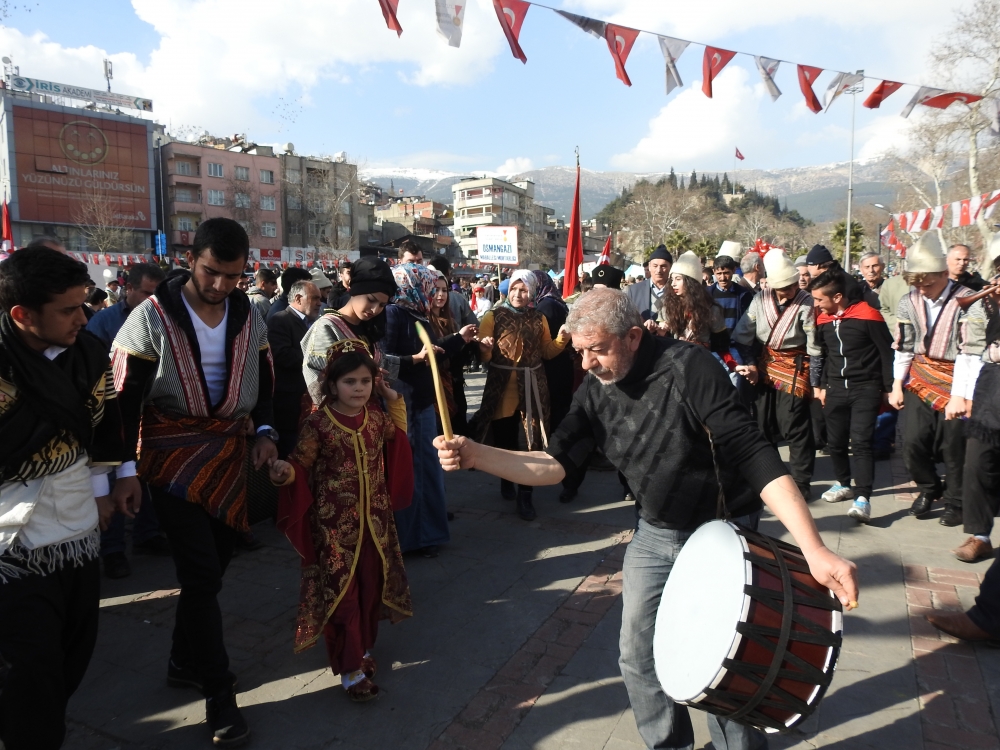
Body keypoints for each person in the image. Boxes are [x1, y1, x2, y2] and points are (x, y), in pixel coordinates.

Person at [433, 288, 860, 750]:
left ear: (633, 336)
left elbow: (753, 454)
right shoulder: (593, 390)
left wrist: (814, 549)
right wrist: (477, 455)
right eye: (579, 352)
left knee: (726, 656)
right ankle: (667, 744)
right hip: (655, 533)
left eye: (597, 350)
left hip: (725, 532)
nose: (588, 364)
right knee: (636, 656)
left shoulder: (690, 366)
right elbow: (554, 464)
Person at [111, 218, 277, 746]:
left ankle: (184, 658)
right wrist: (123, 470)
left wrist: (266, 430)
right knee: (202, 574)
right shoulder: (150, 318)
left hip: (231, 453)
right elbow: (123, 400)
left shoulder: (250, 314)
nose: (223, 285)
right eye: (213, 272)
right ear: (190, 259)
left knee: (217, 566)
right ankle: (219, 692)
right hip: (170, 456)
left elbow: (266, 381)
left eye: (234, 275)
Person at [0, 247, 131, 750]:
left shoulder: (89, 355)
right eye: (68, 310)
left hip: (76, 532)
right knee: (31, 668)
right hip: (10, 543)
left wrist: (111, 483)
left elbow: (105, 429)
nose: (83, 318)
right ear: (22, 315)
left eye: (84, 305)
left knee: (72, 653)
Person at [270, 340, 412, 701]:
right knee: (343, 596)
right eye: (351, 382)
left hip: (376, 523)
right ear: (332, 385)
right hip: (334, 528)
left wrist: (392, 398)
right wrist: (284, 473)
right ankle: (350, 671)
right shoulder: (318, 424)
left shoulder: (377, 418)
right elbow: (300, 464)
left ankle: (362, 649)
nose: (360, 389)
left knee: (369, 588)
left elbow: (399, 443)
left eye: (366, 381)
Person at [888, 233, 987, 527]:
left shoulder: (969, 302)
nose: (924, 290)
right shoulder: (909, 301)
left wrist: (961, 396)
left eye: (928, 283)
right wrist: (896, 384)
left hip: (958, 378)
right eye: (917, 284)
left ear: (944, 274)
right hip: (921, 378)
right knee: (913, 443)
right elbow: (904, 346)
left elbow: (972, 353)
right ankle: (930, 488)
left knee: (954, 448)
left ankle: (955, 503)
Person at [86, 262, 169, 580]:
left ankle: (147, 534)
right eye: (147, 293)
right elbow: (94, 371)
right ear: (128, 289)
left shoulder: (163, 318)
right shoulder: (104, 322)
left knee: (146, 476)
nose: (153, 299)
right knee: (115, 479)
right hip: (115, 415)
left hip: (152, 412)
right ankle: (113, 550)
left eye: (157, 293)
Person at [384, 262, 472, 556]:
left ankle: (428, 534)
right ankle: (412, 539)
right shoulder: (394, 313)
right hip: (404, 404)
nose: (435, 292)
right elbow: (383, 359)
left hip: (422, 403)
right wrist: (415, 359)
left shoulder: (417, 313)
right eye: (430, 286)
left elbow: (431, 353)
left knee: (426, 470)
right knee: (414, 472)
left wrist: (459, 339)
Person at [470, 270, 571, 520]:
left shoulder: (539, 318)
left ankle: (526, 497)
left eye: (524, 290)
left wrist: (561, 340)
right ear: (507, 290)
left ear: (531, 292)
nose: (518, 294)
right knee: (504, 439)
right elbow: (483, 356)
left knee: (531, 441)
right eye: (514, 289)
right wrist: (483, 349)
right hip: (501, 386)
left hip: (534, 385)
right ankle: (507, 478)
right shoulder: (493, 316)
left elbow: (547, 352)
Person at [808, 268, 894, 523]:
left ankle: (863, 497)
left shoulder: (869, 316)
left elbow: (886, 353)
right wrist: (821, 385)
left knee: (861, 443)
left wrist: (888, 388)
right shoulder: (823, 320)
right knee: (834, 442)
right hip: (834, 388)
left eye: (819, 300)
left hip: (865, 388)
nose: (816, 305)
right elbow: (823, 355)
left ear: (836, 297)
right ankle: (843, 483)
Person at [733, 250, 820, 500]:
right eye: (784, 288)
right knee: (763, 425)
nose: (790, 291)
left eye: (793, 286)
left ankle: (802, 481)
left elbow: (814, 346)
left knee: (794, 425)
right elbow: (743, 335)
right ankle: (770, 478)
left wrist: (815, 382)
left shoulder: (807, 302)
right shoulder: (760, 300)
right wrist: (749, 363)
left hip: (795, 366)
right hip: (763, 365)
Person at [952, 236, 1000, 562]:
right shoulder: (988, 304)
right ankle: (980, 534)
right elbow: (970, 350)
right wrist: (963, 393)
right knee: (977, 462)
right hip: (992, 382)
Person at [301, 258, 400, 407]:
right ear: (355, 291)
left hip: (368, 416)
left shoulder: (367, 327)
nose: (374, 309)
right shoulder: (327, 327)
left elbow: (382, 363)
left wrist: (416, 359)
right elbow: (317, 381)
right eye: (371, 300)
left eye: (381, 305)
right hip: (337, 418)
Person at [531, 270, 579, 503]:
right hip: (561, 369)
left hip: (553, 370)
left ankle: (563, 475)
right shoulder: (554, 302)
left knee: (557, 422)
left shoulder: (545, 307)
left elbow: (545, 345)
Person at [656, 252, 739, 372]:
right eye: (672, 279)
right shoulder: (667, 306)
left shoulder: (711, 309)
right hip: (673, 363)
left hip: (700, 363)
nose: (673, 283)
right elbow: (661, 339)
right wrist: (660, 330)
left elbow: (721, 345)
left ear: (691, 282)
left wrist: (733, 365)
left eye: (678, 279)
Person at [268, 280, 323, 457]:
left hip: (307, 402)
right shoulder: (281, 319)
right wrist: (317, 357)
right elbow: (282, 355)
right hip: (289, 405)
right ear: (298, 298)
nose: (319, 303)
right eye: (314, 298)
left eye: (320, 299)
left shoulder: (315, 323)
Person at [428, 271, 476, 434]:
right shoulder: (422, 321)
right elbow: (434, 353)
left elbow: (458, 358)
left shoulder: (452, 321)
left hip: (455, 386)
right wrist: (457, 339)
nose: (440, 295)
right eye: (436, 290)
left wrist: (474, 344)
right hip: (433, 390)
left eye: (444, 290)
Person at [709, 252, 755, 402]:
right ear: (714, 273)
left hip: (735, 348)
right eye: (719, 273)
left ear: (733, 271)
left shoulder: (744, 294)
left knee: (734, 392)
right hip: (713, 349)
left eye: (726, 273)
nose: (723, 278)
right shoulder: (707, 294)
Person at [626, 244, 672, 323]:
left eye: (663, 266)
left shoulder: (676, 290)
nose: (659, 270)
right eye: (655, 266)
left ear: (670, 267)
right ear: (649, 266)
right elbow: (627, 319)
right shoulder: (634, 290)